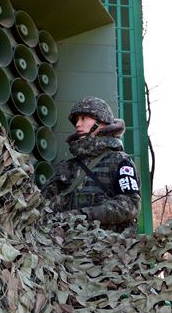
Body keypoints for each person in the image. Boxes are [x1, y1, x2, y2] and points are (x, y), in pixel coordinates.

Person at [41, 96, 140, 233]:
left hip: (108, 247)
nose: (77, 124)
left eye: (84, 118)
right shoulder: (68, 166)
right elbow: (42, 203)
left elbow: (130, 205)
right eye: (76, 120)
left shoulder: (120, 161)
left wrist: (83, 216)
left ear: (102, 122)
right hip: (66, 246)